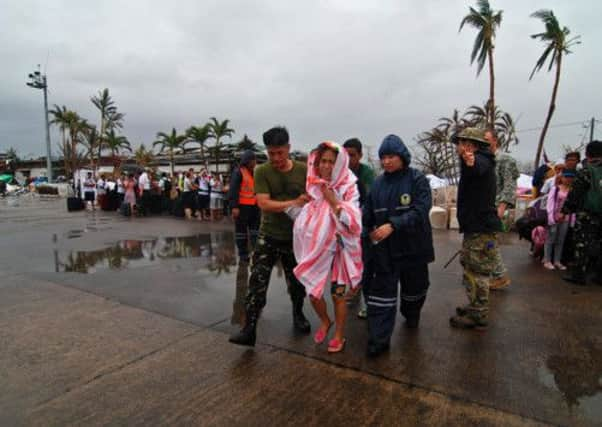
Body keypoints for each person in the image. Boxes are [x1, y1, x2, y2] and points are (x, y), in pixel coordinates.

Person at [229, 126, 311, 347]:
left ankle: (298, 314)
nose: (275, 158)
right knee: (257, 282)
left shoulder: (304, 170)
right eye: (271, 153)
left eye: (280, 153)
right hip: (269, 235)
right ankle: (249, 329)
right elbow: (264, 203)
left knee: (296, 283)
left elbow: (313, 198)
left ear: (288, 148)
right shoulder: (262, 171)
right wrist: (294, 202)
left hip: (295, 238)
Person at [362, 134, 434, 357]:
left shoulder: (417, 179)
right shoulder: (377, 184)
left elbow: (421, 209)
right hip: (385, 252)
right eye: (383, 157)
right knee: (381, 296)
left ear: (402, 156)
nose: (386, 161)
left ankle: (411, 314)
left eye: (391, 156)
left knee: (415, 291)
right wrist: (365, 231)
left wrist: (393, 224)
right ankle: (379, 340)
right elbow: (367, 214)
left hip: (414, 248)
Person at [293, 142, 362, 353]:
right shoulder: (314, 183)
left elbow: (354, 220)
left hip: (341, 248)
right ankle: (325, 321)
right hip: (318, 246)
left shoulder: (349, 185)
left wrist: (333, 202)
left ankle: (339, 335)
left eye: (331, 161)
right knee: (312, 292)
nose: (326, 165)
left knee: (338, 294)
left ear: (339, 162)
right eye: (323, 160)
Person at [449, 128, 502, 330]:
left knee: (478, 271)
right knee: (470, 266)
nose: (458, 147)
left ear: (470, 145)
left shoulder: (481, 160)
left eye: (461, 143)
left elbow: (477, 166)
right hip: (476, 226)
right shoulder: (480, 160)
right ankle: (474, 306)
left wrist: (470, 161)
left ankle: (479, 314)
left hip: (481, 228)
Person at [342, 137, 376, 318]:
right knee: (349, 261)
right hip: (345, 226)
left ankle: (369, 302)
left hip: (363, 224)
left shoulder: (367, 174)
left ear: (360, 155)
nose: (348, 159)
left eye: (352, 155)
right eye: (345, 155)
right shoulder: (340, 173)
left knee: (365, 263)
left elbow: (368, 201)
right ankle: (354, 287)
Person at [561, 140, 602, 285]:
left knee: (582, 244)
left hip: (588, 214)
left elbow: (575, 194)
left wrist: (564, 211)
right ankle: (599, 276)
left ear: (588, 154)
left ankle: (579, 275)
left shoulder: (586, 171)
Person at [486, 129, 518, 290]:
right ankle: (492, 274)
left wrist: (502, 207)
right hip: (487, 207)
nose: (484, 143)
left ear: (495, 141)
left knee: (490, 242)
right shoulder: (486, 160)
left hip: (498, 207)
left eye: (487, 140)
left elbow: (510, 185)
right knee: (486, 242)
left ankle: (500, 276)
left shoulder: (505, 160)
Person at [228, 150, 260, 262]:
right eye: (253, 160)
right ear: (248, 161)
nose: (255, 162)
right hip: (242, 207)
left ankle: (256, 252)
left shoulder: (255, 172)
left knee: (255, 231)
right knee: (241, 232)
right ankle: (243, 254)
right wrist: (234, 207)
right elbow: (233, 190)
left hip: (255, 206)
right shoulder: (239, 172)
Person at [542, 169, 575, 270]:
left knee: (560, 240)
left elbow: (573, 206)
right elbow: (550, 204)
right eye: (566, 177)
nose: (568, 179)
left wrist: (572, 221)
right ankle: (547, 260)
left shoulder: (572, 191)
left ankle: (557, 261)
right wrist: (551, 218)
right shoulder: (555, 189)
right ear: (561, 178)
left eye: (570, 177)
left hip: (565, 219)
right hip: (554, 218)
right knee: (550, 239)